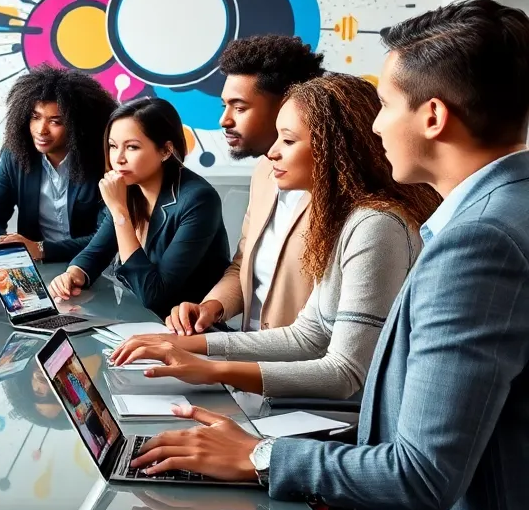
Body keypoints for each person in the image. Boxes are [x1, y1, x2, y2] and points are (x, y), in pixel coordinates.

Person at [129, 0, 529, 510]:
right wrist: (202, 352)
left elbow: (421, 473)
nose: (376, 125)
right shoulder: (499, 211)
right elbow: (316, 334)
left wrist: (257, 456)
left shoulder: (478, 241)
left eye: (386, 105)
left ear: (433, 116)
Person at [110, 75, 441, 399]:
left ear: (333, 148)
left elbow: (346, 374)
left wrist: (211, 369)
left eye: (288, 140)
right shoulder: (342, 218)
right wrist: (182, 343)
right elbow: (307, 335)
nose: (272, 153)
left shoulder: (376, 225)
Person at [167, 36, 327, 334]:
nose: (224, 120)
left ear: (286, 107)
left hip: (296, 360)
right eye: (225, 106)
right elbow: (243, 265)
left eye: (239, 108)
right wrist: (211, 307)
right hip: (247, 351)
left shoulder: (338, 193)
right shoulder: (264, 172)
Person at [47, 98, 230, 318]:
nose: (118, 158)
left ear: (166, 150)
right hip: (132, 316)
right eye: (113, 146)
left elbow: (154, 294)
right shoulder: (130, 187)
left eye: (132, 147)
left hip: (183, 325)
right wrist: (73, 274)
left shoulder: (199, 200)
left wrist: (120, 212)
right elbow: (97, 251)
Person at [0, 66, 118, 261]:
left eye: (55, 121)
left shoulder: (103, 162)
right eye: (35, 117)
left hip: (92, 266)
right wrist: (5, 243)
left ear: (79, 125)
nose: (41, 130)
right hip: (37, 267)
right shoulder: (15, 157)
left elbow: (105, 239)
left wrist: (41, 249)